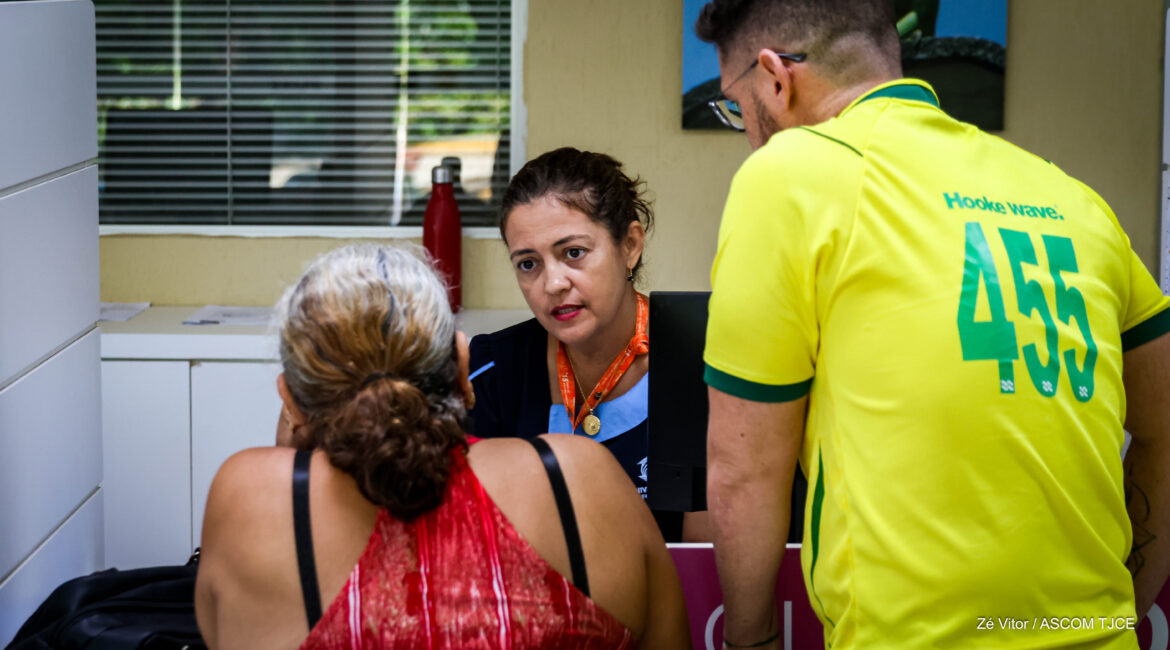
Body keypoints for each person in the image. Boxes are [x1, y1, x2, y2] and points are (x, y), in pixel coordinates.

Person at [694, 1, 1170, 648]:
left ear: (777, 79)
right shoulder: (1074, 198)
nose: (747, 133)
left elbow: (744, 468)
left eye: (737, 107)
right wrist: (1121, 608)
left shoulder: (788, 171)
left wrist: (750, 641)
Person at [195, 244, 689, 649]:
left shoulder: (252, 497)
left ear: (292, 400)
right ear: (461, 367)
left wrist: (295, 442)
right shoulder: (581, 477)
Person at [468, 147, 707, 542]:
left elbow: (707, 563)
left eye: (573, 253)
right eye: (528, 263)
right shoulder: (492, 372)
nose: (553, 284)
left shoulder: (700, 362)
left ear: (629, 246)